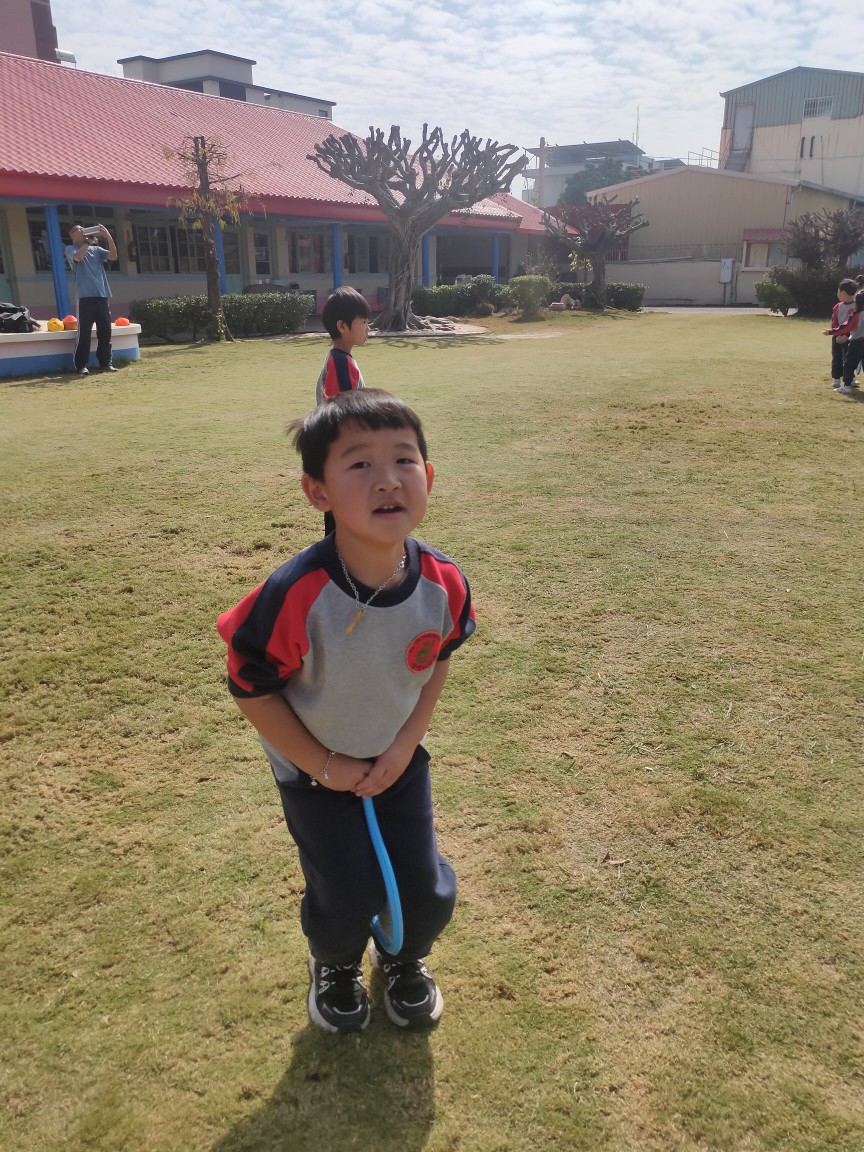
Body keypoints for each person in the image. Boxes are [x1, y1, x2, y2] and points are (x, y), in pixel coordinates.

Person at [216, 390, 475, 1034]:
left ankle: (404, 955)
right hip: (314, 774)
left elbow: (439, 657)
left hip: (396, 762)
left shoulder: (443, 581)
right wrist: (324, 765)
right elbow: (250, 686)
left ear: (428, 475)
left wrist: (404, 745)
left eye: (404, 460)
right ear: (318, 492)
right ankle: (333, 964)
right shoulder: (295, 594)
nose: (387, 479)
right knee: (346, 891)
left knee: (423, 889)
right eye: (359, 464)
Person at [64, 224, 118, 376]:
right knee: (84, 333)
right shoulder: (70, 249)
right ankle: (81, 365)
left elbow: (113, 256)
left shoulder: (97, 250)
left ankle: (106, 363)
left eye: (84, 229)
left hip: (102, 296)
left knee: (105, 331)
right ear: (72, 234)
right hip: (85, 298)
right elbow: (78, 257)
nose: (83, 231)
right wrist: (87, 242)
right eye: (79, 230)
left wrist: (108, 237)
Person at [315, 287, 370, 405]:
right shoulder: (341, 362)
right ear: (342, 326)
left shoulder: (339, 358)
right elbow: (341, 410)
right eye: (363, 322)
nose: (368, 328)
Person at [826, 287, 864, 394]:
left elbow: (846, 327)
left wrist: (831, 332)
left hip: (857, 343)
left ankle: (847, 386)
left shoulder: (856, 316)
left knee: (849, 365)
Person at [823, 278, 857, 389]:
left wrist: (847, 336)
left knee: (850, 359)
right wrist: (838, 335)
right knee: (837, 357)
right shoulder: (837, 307)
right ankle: (836, 378)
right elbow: (834, 322)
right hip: (837, 336)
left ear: (842, 292)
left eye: (838, 290)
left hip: (852, 337)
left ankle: (850, 378)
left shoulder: (857, 306)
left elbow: (856, 324)